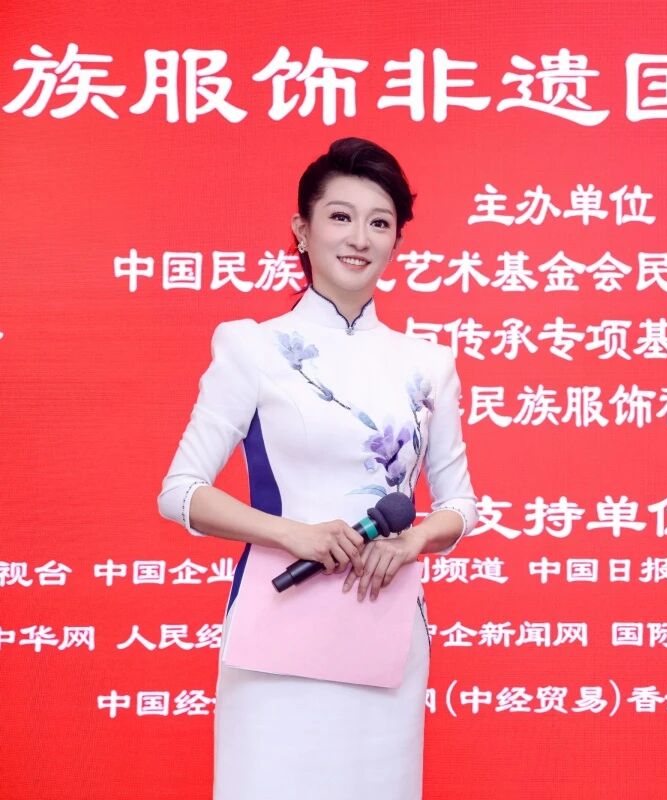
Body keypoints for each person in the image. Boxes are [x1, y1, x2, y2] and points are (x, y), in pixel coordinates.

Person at [158, 137, 477, 799]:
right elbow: (181, 493)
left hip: (385, 625)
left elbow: (459, 505)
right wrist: (293, 534)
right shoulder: (252, 346)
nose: (359, 237)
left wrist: (415, 540)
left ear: (396, 240)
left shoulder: (428, 364)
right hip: (278, 622)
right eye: (339, 216)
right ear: (302, 230)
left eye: (379, 222)